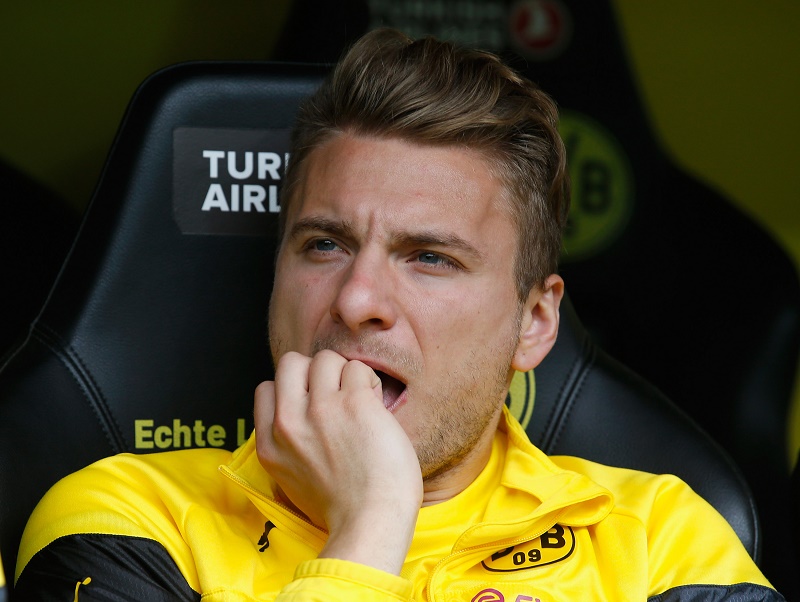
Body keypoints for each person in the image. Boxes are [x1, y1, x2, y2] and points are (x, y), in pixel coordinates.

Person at [13, 28, 782, 601]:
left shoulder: (659, 539)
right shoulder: (128, 519)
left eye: (430, 258)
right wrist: (371, 522)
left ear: (535, 323)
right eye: (324, 245)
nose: (356, 300)